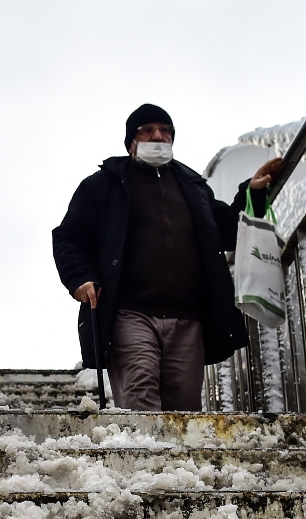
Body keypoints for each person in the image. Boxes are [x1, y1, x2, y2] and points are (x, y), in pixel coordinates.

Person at [51, 104, 282, 411]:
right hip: (130, 314)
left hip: (188, 319)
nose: (158, 136)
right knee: (139, 393)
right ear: (130, 141)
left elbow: (225, 232)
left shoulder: (193, 187)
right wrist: (80, 276)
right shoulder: (104, 185)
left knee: (183, 411)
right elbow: (69, 236)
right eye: (147, 130)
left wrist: (249, 194)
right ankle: (140, 458)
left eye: (165, 131)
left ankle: (174, 462)